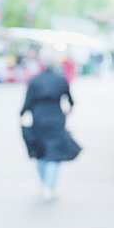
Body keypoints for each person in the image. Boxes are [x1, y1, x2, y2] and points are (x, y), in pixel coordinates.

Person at [20, 47, 80, 202]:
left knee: (40, 151)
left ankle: (44, 183)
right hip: (56, 118)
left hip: (39, 118)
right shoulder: (61, 79)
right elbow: (70, 100)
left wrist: (21, 115)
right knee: (54, 153)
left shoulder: (35, 80)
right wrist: (68, 110)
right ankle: (49, 185)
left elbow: (27, 102)